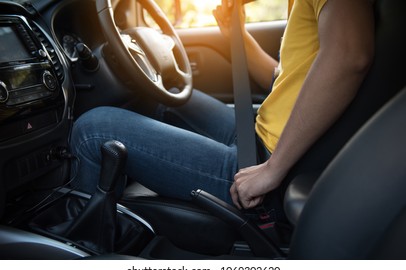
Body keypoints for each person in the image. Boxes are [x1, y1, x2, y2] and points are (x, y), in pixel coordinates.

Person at [70, 0, 374, 211]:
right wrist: (235, 35)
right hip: (260, 136)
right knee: (163, 96)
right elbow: (283, 79)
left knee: (92, 131)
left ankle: (84, 248)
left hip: (278, 160)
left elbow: (349, 56)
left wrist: (271, 170)